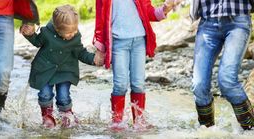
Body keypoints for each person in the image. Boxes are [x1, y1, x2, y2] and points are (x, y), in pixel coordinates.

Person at [92, 0, 181, 130]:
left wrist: (165, 9)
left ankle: (139, 122)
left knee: (138, 84)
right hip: (118, 42)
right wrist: (100, 48)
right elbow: (100, 19)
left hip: (139, 41)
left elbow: (148, 11)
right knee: (120, 84)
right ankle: (117, 122)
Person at [20, 4, 104, 128]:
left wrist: (94, 59)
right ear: (57, 30)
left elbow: (81, 53)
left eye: (74, 30)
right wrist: (29, 34)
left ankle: (67, 116)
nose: (73, 34)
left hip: (66, 71)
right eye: (69, 32)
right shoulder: (47, 33)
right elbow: (37, 42)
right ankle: (47, 117)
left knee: (63, 96)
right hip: (45, 70)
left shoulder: (75, 37)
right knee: (45, 94)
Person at [190, 0, 254, 130]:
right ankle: (207, 131)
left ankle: (250, 128)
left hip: (238, 21)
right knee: (199, 85)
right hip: (207, 23)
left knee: (227, 81)